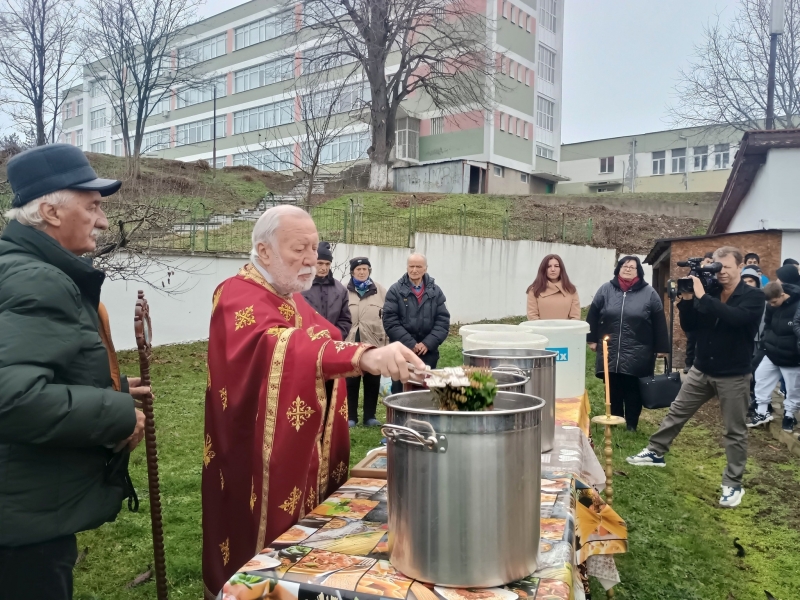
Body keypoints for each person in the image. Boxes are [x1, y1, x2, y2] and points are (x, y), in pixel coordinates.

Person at [202, 205, 424, 596]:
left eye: (314, 248)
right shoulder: (235, 294)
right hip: (249, 452)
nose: (311, 259)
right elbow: (280, 346)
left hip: (293, 444)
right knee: (252, 547)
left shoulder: (287, 295)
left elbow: (326, 337)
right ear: (264, 250)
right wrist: (364, 357)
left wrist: (372, 352)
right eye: (299, 249)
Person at [0, 144, 148, 598]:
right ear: (51, 212)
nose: (102, 221)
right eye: (93, 206)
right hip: (22, 528)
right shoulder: (37, 279)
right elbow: (14, 399)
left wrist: (111, 388)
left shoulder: (17, 267)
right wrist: (118, 414)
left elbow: (31, 366)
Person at [627, 247, 765, 509]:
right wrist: (689, 300)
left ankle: (733, 484)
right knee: (677, 411)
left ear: (740, 267)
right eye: (717, 268)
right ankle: (656, 452)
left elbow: (736, 319)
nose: (721, 273)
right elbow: (691, 327)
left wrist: (703, 296)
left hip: (734, 374)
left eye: (726, 267)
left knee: (734, 431)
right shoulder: (710, 291)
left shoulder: (753, 296)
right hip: (702, 368)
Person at [586, 256, 669, 431]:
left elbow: (659, 321)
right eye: (624, 265)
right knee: (613, 386)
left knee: (634, 388)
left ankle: (631, 424)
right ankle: (616, 420)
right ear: (618, 269)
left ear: (639, 271)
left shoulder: (649, 293)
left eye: (632, 267)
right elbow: (593, 315)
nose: (628, 269)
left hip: (639, 349)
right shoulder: (605, 290)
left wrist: (661, 347)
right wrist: (591, 339)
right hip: (610, 348)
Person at [383, 253, 451, 394]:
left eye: (418, 266)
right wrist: (411, 344)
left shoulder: (436, 291)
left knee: (424, 391)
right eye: (411, 266)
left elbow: (443, 321)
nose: (414, 270)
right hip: (402, 352)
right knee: (400, 390)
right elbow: (390, 322)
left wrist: (427, 343)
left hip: (428, 352)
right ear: (407, 267)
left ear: (425, 268)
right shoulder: (395, 291)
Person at [748, 281, 800, 432]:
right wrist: (766, 341)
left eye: (774, 301)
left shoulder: (798, 306)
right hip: (771, 351)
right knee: (761, 378)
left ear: (783, 294)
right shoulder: (771, 306)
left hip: (791, 356)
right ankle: (762, 411)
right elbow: (768, 324)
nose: (772, 305)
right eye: (769, 302)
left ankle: (789, 415)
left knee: (793, 388)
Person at [345, 257, 388, 428]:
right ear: (352, 272)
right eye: (358, 269)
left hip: (374, 342)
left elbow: (388, 316)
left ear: (369, 271)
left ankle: (370, 416)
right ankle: (351, 416)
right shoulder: (344, 291)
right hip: (351, 342)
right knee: (351, 380)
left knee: (372, 380)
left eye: (365, 269)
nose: (362, 272)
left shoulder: (380, 291)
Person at [741, 267, 769, 418]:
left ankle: (760, 404)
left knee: (759, 374)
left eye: (751, 281)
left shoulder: (765, 300)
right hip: (745, 342)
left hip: (761, 343)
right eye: (744, 281)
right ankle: (746, 402)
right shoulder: (738, 300)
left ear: (757, 282)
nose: (748, 284)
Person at [685, 252, 715, 373]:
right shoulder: (695, 274)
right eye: (708, 262)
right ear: (702, 262)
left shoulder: (715, 278)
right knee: (691, 339)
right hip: (694, 308)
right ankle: (689, 363)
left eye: (712, 263)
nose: (709, 265)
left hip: (708, 310)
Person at [526, 254, 581, 320]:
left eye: (556, 266)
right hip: (541, 327)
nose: (553, 269)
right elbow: (533, 317)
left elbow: (575, 317)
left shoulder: (571, 290)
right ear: (543, 269)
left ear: (561, 269)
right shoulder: (534, 290)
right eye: (549, 266)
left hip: (566, 327)